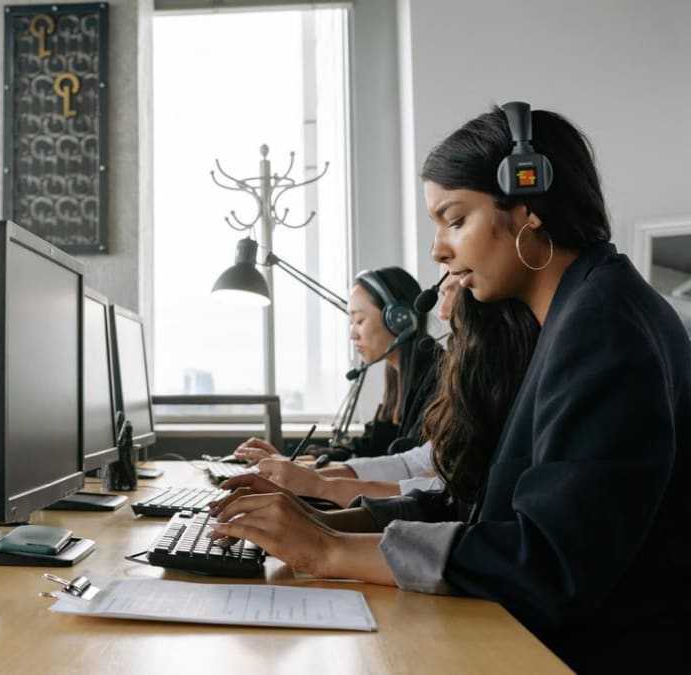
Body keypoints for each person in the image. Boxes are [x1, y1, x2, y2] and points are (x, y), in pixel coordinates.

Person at [208, 104, 691, 671]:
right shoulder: (570, 316)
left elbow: (550, 563)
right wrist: (321, 523)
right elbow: (477, 507)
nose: (439, 250)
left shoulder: (602, 325)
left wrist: (329, 550)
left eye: (455, 219)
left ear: (527, 208)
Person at [235, 266, 443, 466]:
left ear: (399, 320)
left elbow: (401, 466)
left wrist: (296, 468)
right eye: (350, 323)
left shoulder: (438, 380)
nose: (352, 334)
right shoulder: (398, 379)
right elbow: (367, 450)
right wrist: (287, 461)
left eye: (360, 320)